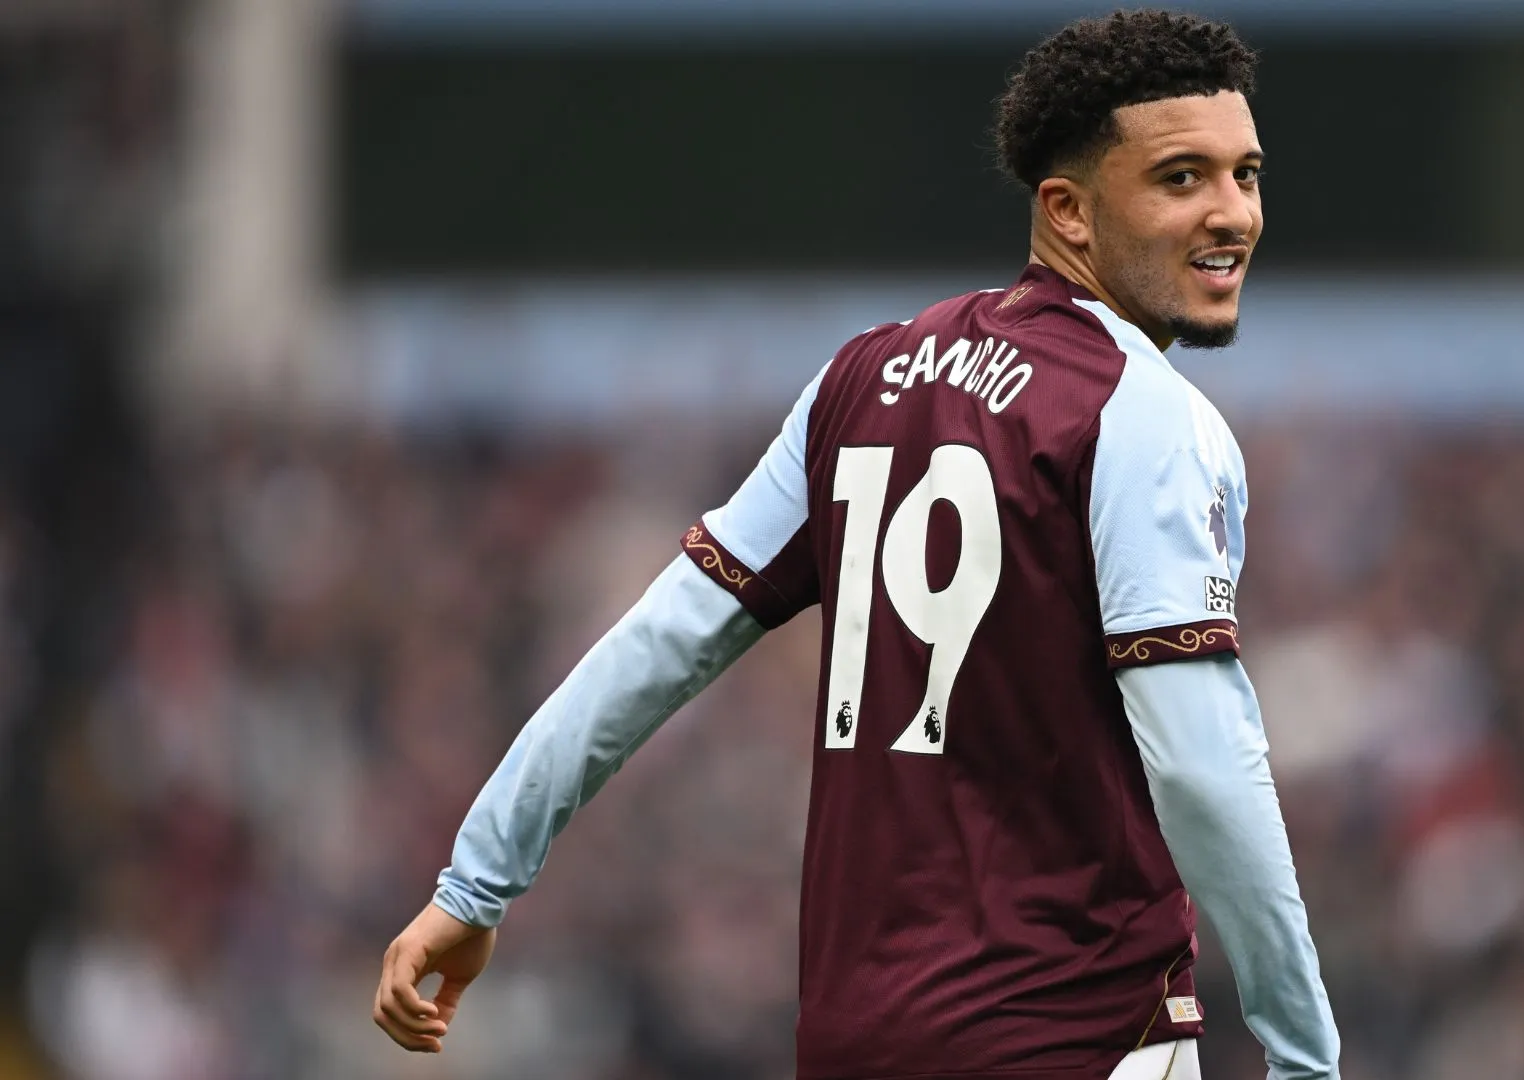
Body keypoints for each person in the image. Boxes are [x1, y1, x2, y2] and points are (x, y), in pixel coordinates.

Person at [373, 10, 1340, 1079]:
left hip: (856, 1044)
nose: (1232, 214)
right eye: (1181, 178)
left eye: (1245, 174)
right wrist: (1303, 1055)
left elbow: (658, 643)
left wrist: (475, 882)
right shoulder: (1145, 417)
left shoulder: (863, 378)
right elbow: (1206, 772)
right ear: (1065, 210)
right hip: (1079, 1037)